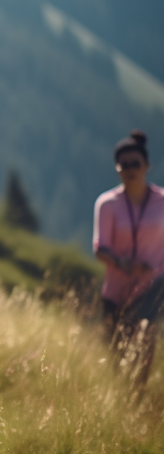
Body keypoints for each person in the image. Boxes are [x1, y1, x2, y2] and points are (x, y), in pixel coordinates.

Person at [93, 130, 164, 389]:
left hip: (151, 289)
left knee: (144, 347)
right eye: (124, 164)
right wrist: (125, 265)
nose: (130, 169)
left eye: (135, 163)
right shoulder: (107, 203)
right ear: (117, 168)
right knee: (117, 354)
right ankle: (122, 400)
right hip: (115, 291)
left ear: (147, 166)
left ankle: (138, 398)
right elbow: (101, 248)